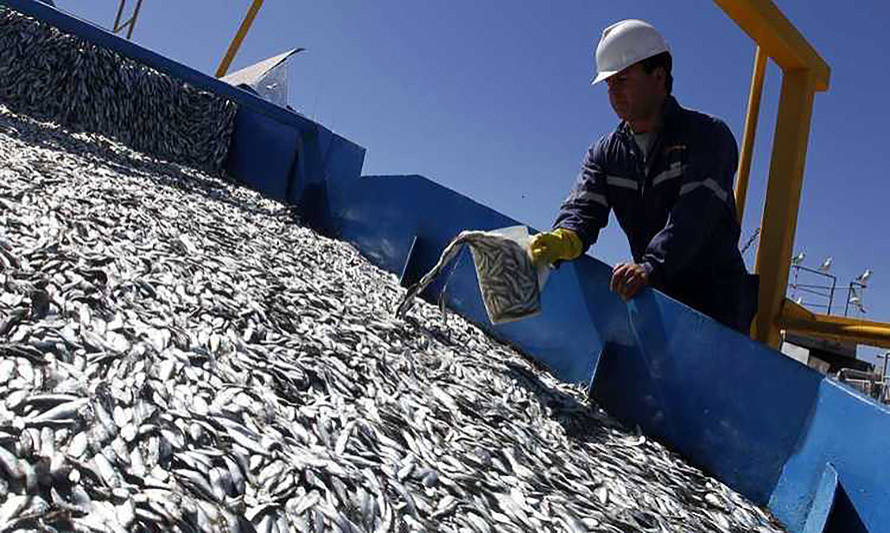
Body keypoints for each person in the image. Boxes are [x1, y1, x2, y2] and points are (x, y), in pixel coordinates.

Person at [529, 19, 758, 333]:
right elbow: (583, 210)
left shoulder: (708, 136)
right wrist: (564, 237)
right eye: (609, 85)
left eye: (622, 80)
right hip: (659, 300)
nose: (613, 93)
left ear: (659, 77)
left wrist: (651, 265)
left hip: (718, 310)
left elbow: (695, 215)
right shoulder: (606, 154)